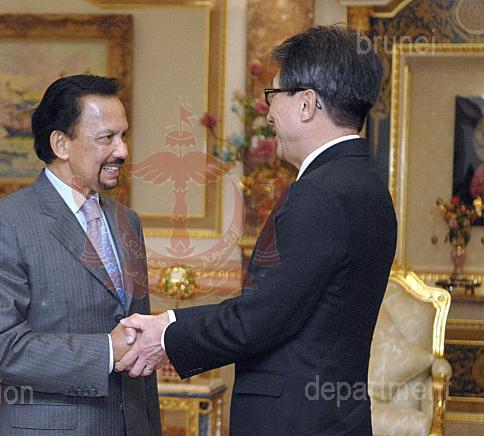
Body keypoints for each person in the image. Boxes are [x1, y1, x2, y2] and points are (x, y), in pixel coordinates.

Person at [116, 26, 397, 435]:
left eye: (274, 95)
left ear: (306, 104)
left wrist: (166, 334)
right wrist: (170, 323)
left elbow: (259, 319)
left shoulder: (319, 194)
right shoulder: (367, 185)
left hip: (294, 423)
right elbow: (282, 306)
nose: (268, 114)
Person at [0, 75, 161, 436]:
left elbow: (136, 340)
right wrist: (106, 350)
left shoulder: (127, 221)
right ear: (61, 144)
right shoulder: (5, 223)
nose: (122, 151)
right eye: (106, 138)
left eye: (124, 135)